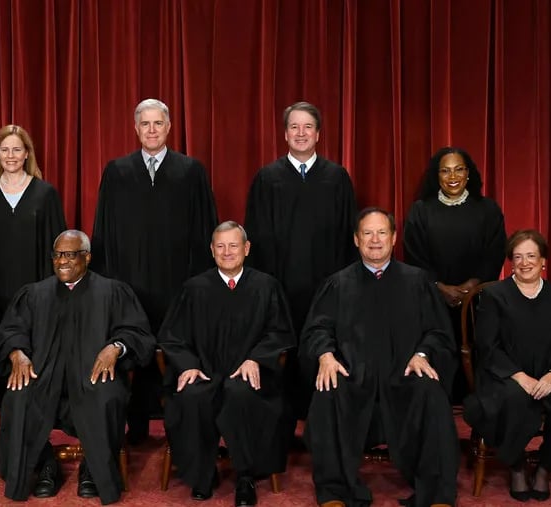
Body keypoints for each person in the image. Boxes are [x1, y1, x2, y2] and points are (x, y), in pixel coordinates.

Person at [301, 208, 458, 507]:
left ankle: (436, 493)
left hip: (404, 375)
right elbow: (316, 328)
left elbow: (438, 331)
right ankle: (335, 491)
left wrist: (423, 354)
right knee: (327, 391)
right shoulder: (338, 283)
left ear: (394, 238)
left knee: (431, 392)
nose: (375, 240)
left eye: (382, 232)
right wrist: (325, 356)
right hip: (352, 376)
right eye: (368, 234)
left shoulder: (418, 282)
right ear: (357, 240)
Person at [0, 230, 155, 505]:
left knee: (106, 395)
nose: (62, 261)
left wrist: (116, 347)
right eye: (57, 255)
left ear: (87, 257)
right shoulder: (35, 294)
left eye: (70, 255)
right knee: (18, 397)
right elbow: (11, 330)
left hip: (93, 375)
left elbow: (138, 333)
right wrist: (17, 352)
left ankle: (93, 468)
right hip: (43, 377)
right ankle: (45, 466)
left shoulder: (112, 291)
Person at [91, 98, 218, 443]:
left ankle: (178, 427)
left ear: (169, 127)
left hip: (177, 280)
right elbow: (104, 229)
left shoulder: (191, 171)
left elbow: (205, 229)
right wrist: (107, 283)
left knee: (176, 348)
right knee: (131, 346)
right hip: (129, 282)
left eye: (157, 123)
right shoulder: (117, 171)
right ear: (135, 128)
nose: (151, 130)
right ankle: (136, 425)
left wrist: (201, 282)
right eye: (145, 124)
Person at [158, 221, 295, 505]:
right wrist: (188, 365)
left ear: (246, 249)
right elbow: (172, 337)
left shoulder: (266, 286)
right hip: (205, 372)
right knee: (193, 396)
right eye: (220, 246)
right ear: (211, 250)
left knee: (241, 392)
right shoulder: (194, 288)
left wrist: (256, 359)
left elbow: (280, 333)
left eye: (233, 245)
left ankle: (246, 476)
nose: (227, 252)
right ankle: (202, 474)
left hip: (249, 373)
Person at [463, 229, 551, 502]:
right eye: (518, 257)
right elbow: (487, 346)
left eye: (531, 256)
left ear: (543, 262)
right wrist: (519, 376)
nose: (525, 263)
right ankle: (515, 466)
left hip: (550, 375)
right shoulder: (495, 296)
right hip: (505, 376)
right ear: (510, 262)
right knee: (512, 400)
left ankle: (544, 467)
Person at [244, 101, 357, 430]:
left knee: (323, 344)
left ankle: (322, 422)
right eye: (294, 126)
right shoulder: (267, 179)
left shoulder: (336, 178)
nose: (301, 133)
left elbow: (349, 234)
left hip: (327, 284)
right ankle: (280, 422)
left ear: (318, 134)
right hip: (280, 284)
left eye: (308, 126)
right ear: (285, 134)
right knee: (283, 347)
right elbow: (257, 236)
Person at [403, 146, 506, 402]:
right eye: (445, 171)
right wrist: (440, 286)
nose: (452, 176)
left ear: (468, 173)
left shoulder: (488, 210)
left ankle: (480, 401)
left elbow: (495, 252)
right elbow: (414, 255)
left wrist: (472, 285)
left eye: (458, 169)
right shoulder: (420, 210)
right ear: (436, 176)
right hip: (432, 297)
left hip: (478, 300)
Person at [0, 124, 67, 327]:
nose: (10, 156)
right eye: (4, 150)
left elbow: (59, 248)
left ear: (27, 153)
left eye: (17, 149)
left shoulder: (45, 194)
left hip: (39, 294)